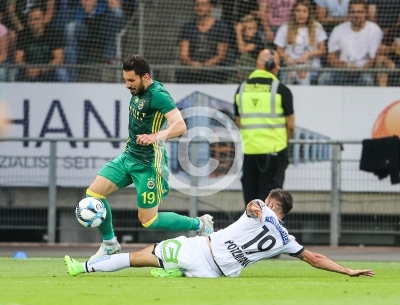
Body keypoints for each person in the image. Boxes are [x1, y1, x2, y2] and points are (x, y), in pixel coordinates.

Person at [63, 188, 375, 279]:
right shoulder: (285, 239)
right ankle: (176, 272)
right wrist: (347, 270)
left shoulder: (260, 208)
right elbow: (315, 258)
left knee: (136, 258)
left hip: (200, 251)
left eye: (268, 202)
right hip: (218, 275)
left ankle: (83, 268)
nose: (262, 204)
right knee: (170, 265)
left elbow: (253, 206)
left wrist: (257, 209)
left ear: (272, 205)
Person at [81, 54, 214, 261]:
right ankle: (110, 244)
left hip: (149, 164)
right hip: (128, 157)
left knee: (148, 220)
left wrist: (154, 137)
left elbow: (180, 126)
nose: (127, 85)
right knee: (93, 194)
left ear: (146, 77)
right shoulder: (138, 89)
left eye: (131, 80)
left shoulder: (158, 95)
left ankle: (200, 224)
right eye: (125, 80)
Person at [234, 48, 294, 207]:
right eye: (278, 64)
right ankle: (268, 232)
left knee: (251, 204)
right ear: (270, 64)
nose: (279, 68)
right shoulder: (280, 90)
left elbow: (239, 122)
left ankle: (251, 232)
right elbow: (291, 125)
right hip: (274, 153)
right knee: (271, 204)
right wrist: (282, 144)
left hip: (249, 153)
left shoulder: (241, 89)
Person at [318, 0, 383, 86]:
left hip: (364, 70)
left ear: (366, 13)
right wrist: (343, 66)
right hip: (342, 70)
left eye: (360, 12)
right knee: (324, 78)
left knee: (367, 80)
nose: (356, 15)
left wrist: (359, 70)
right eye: (353, 12)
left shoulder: (375, 30)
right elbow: (331, 56)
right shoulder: (338, 29)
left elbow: (374, 58)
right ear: (348, 13)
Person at [274, 0, 327, 85]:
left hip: (311, 66)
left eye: (304, 11)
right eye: (298, 11)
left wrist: (308, 55)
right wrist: (287, 58)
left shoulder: (317, 27)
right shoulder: (285, 28)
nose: (301, 14)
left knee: (303, 76)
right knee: (289, 76)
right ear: (293, 13)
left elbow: (322, 50)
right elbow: (279, 51)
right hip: (290, 66)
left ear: (309, 13)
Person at [176, 0, 229, 83]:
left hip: (212, 71)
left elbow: (221, 55)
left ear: (210, 6)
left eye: (203, 5)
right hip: (191, 70)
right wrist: (192, 64)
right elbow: (183, 55)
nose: (200, 8)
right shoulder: (187, 27)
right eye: (197, 5)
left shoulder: (221, 27)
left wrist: (204, 66)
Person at [14, 5, 64, 82]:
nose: (33, 23)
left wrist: (40, 70)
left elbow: (59, 59)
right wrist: (28, 68)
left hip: (48, 70)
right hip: (28, 71)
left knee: (62, 73)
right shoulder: (22, 34)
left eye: (36, 19)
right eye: (30, 20)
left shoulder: (53, 34)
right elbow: (18, 59)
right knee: (15, 72)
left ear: (43, 19)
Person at [233, 14, 267, 81]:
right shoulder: (238, 39)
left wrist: (238, 33)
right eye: (247, 28)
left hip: (255, 69)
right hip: (240, 71)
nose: (254, 31)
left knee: (244, 56)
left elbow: (242, 50)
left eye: (253, 28)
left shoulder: (257, 40)